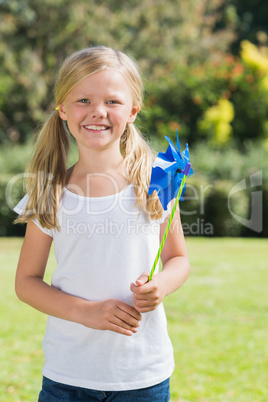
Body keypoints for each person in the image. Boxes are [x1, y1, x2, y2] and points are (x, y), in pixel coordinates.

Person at [14, 46, 190, 402]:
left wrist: (161, 286)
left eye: (112, 101)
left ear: (133, 111)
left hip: (143, 375)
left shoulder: (157, 182)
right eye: (83, 100)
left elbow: (178, 260)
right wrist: (86, 312)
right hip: (68, 377)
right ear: (63, 108)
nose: (98, 112)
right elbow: (26, 283)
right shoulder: (49, 191)